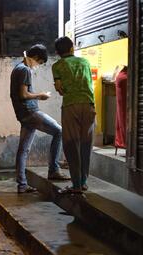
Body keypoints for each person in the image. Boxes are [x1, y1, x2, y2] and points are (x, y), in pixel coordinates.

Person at [11, 44, 69, 194]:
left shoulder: (18, 68)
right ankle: (54, 170)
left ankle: (22, 185)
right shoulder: (25, 70)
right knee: (59, 131)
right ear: (36, 58)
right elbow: (23, 94)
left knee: (23, 150)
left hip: (23, 114)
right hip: (30, 112)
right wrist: (40, 96)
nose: (38, 66)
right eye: (40, 62)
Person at [52, 37, 96, 194]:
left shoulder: (57, 66)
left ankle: (76, 185)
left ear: (57, 52)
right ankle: (84, 182)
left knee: (71, 145)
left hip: (71, 105)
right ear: (72, 48)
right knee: (86, 144)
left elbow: (59, 89)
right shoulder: (85, 62)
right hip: (89, 104)